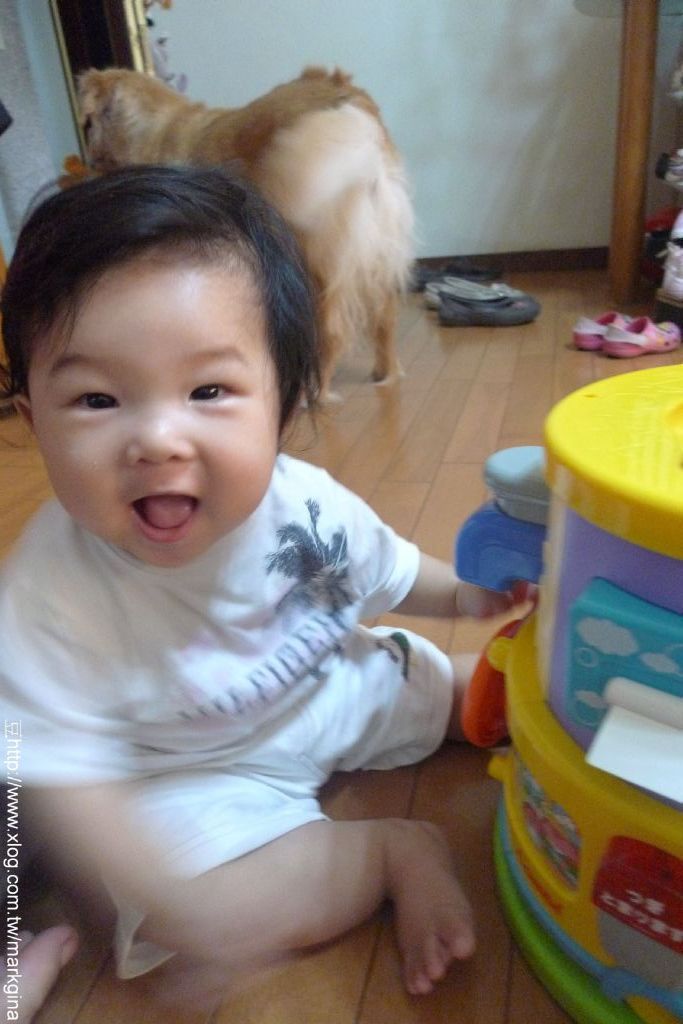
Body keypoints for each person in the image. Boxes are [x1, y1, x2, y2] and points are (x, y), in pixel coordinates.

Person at [0, 166, 528, 1002]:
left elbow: (385, 567)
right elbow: (72, 786)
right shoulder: (45, 594)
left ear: (282, 401)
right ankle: (392, 851)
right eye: (97, 399)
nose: (158, 439)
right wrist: (165, 889)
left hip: (332, 684)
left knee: (489, 695)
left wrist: (463, 598)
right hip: (189, 771)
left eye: (208, 391)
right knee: (188, 909)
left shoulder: (302, 504)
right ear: (34, 420)